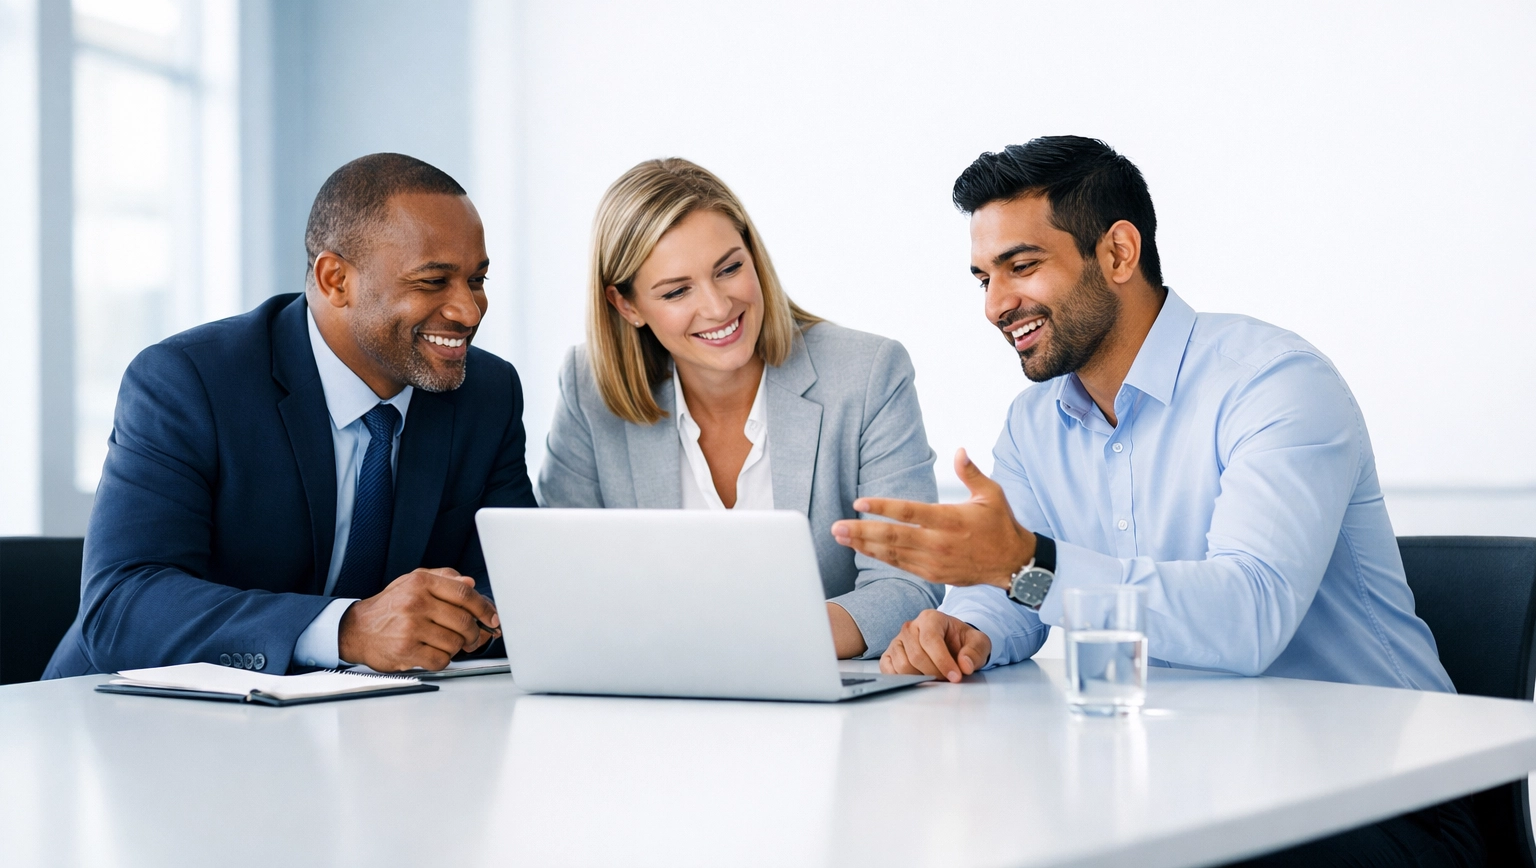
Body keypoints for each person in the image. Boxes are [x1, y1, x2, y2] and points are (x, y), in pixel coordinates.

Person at [833, 137, 1481, 866]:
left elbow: (1250, 613)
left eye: (1022, 266)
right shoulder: (1035, 423)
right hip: (1190, 786)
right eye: (982, 277)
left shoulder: (1273, 383)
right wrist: (964, 628)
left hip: (1386, 797)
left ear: (1117, 253)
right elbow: (1014, 591)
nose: (994, 304)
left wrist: (1025, 566)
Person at [45, 153, 537, 678]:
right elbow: (122, 607)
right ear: (335, 279)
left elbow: (516, 590)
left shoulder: (487, 392)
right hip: (139, 722)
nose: (468, 310)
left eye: (477, 280)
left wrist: (477, 616)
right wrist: (348, 629)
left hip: (375, 730)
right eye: (432, 282)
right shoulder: (189, 381)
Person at [540, 157, 943, 658]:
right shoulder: (588, 389)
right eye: (677, 291)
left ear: (754, 256)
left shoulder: (866, 372)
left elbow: (907, 584)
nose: (717, 307)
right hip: (651, 707)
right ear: (627, 306)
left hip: (817, 700)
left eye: (729, 269)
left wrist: (757, 641)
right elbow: (562, 584)